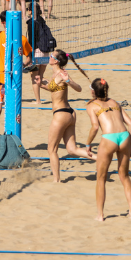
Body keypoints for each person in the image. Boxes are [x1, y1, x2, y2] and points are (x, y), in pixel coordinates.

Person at [84, 78, 131, 221]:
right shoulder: (114, 102)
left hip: (109, 138)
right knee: (125, 176)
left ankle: (100, 215)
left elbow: (95, 127)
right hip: (124, 136)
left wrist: (88, 144)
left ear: (93, 92)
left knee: (101, 178)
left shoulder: (91, 105)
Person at [41, 50, 95, 182]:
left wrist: (68, 81)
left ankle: (56, 180)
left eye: (51, 56)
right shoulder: (55, 74)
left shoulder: (61, 74)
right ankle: (100, 157)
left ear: (55, 61)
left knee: (51, 149)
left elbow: (79, 88)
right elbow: (53, 88)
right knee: (72, 149)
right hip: (70, 113)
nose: (49, 57)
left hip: (61, 115)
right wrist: (40, 83)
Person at [0, 11, 33, 132]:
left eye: (7, 22)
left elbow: (29, 57)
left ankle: (11, 135)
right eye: (4, 23)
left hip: (14, 80)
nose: (5, 25)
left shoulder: (22, 39)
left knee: (13, 111)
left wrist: (21, 66)